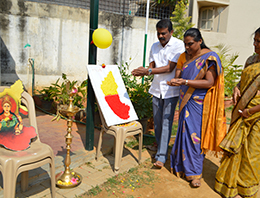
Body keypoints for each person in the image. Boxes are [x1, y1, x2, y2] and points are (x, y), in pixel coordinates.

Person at [168, 28, 226, 188]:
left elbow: (209, 82)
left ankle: (195, 174)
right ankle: (181, 166)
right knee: (183, 134)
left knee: (195, 138)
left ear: (200, 41)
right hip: (185, 100)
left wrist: (184, 82)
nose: (187, 47)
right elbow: (181, 75)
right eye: (185, 44)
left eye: (191, 44)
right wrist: (177, 81)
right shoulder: (186, 57)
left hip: (198, 104)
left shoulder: (209, 58)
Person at [131, 19, 185, 168]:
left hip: (170, 89)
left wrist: (147, 71)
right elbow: (151, 66)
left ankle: (161, 156)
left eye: (164, 33)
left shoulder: (178, 45)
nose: (160, 36)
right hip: (156, 89)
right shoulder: (154, 46)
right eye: (158, 33)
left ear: (171, 32)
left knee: (167, 122)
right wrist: (143, 71)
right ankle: (159, 145)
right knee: (157, 121)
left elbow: (169, 68)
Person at [215, 27, 260, 198]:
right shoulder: (251, 60)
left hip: (256, 115)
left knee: (252, 153)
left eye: (259, 42)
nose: (255, 44)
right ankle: (230, 185)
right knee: (236, 148)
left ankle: (247, 187)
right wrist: (236, 88)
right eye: (254, 40)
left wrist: (251, 110)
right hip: (243, 110)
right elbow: (243, 83)